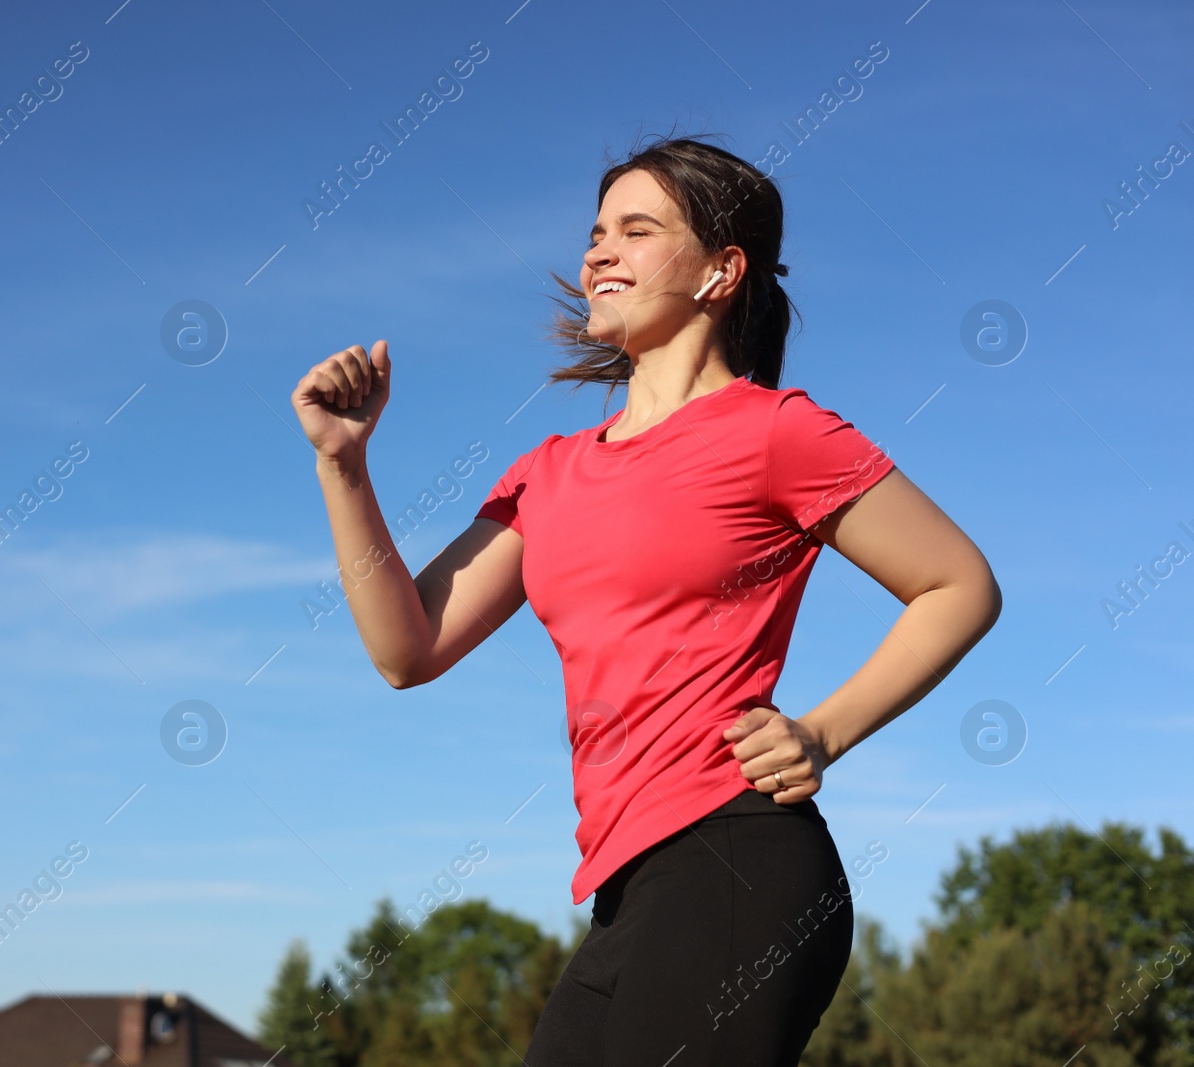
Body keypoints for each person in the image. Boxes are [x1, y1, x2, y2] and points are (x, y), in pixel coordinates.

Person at [289, 134, 1001, 1065]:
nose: (597, 252)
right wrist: (342, 465)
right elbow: (406, 649)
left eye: (635, 229)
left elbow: (959, 583)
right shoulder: (549, 473)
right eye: (595, 232)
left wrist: (823, 730)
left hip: (739, 863)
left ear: (720, 272)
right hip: (624, 885)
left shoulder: (779, 433)